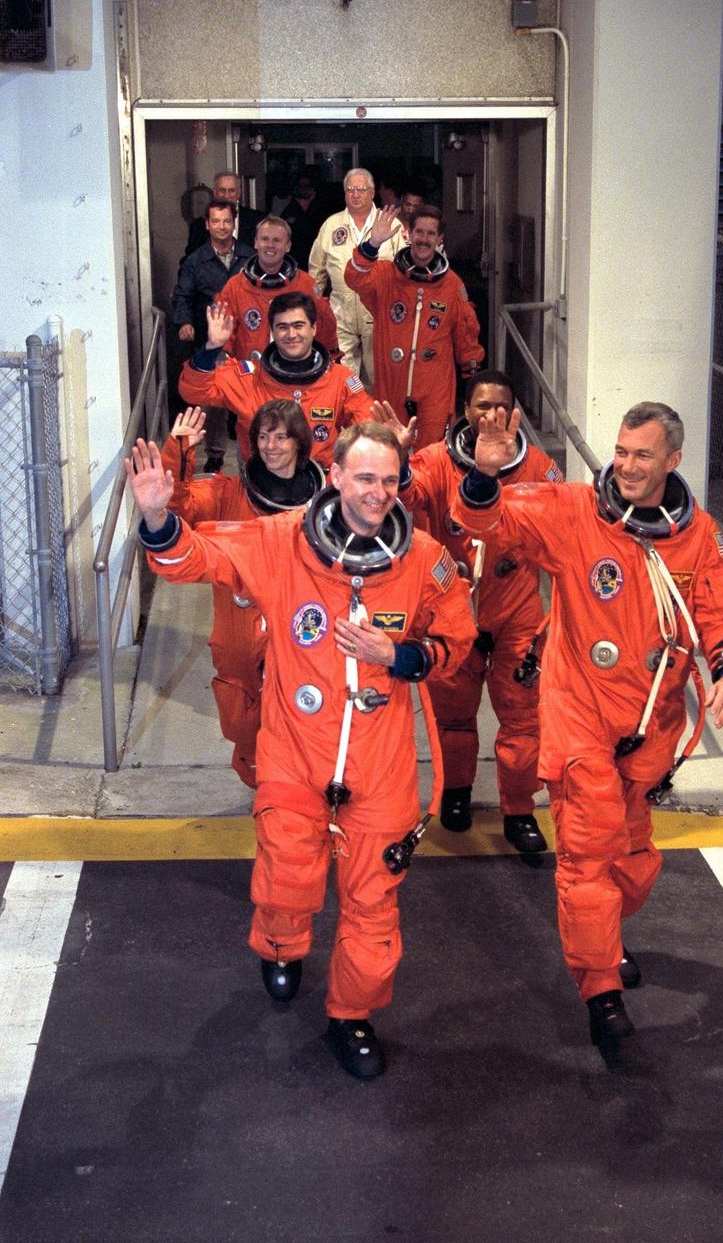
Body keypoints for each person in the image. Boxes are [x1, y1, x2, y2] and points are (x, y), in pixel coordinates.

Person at [126, 421, 477, 1080]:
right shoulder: (281, 541)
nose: (377, 493)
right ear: (337, 476)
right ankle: (283, 946)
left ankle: (352, 1015)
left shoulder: (425, 559)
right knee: (287, 878)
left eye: (388, 480)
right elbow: (196, 560)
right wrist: (155, 519)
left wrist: (397, 654)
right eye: (364, 478)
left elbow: (455, 648)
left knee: (374, 909)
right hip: (293, 751)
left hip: (379, 765)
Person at [452, 400, 723, 1059]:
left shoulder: (697, 535)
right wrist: (483, 474)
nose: (625, 466)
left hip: (651, 722)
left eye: (641, 455)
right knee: (586, 857)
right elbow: (489, 522)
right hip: (579, 717)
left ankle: (605, 941)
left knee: (632, 860)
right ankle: (599, 993)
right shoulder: (571, 514)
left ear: (672, 460)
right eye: (619, 452)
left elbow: (721, 606)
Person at [373, 369, 562, 856]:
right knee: (453, 718)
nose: (490, 414)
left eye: (500, 406)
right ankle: (456, 793)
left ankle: (518, 809)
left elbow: (564, 534)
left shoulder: (540, 468)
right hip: (452, 611)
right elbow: (407, 494)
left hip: (515, 610)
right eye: (481, 406)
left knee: (522, 721)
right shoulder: (437, 461)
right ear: (463, 411)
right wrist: (398, 455)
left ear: (514, 412)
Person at [160, 402, 324, 787]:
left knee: (305, 714)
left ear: (300, 443)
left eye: (281, 437)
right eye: (263, 437)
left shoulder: (324, 499)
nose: (270, 446)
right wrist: (179, 454)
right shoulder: (228, 492)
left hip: (300, 629)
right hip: (239, 632)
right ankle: (260, 787)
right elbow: (180, 506)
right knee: (243, 719)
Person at [345, 205, 484, 450]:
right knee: (387, 450)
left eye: (431, 234)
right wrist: (373, 243)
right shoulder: (386, 275)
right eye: (419, 232)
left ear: (440, 238)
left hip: (434, 388)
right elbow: (354, 278)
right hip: (391, 385)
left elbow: (466, 333)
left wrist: (472, 379)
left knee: (433, 454)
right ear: (408, 234)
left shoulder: (452, 285)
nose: (424, 239)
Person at [179, 292, 371, 468]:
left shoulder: (340, 379)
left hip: (319, 486)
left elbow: (368, 429)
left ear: (313, 328)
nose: (291, 334)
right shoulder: (249, 378)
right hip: (260, 487)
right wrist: (212, 348)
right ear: (272, 332)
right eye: (282, 327)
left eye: (298, 325)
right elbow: (194, 390)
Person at [171, 200, 254, 472]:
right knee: (213, 401)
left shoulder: (250, 256)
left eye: (227, 221)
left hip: (247, 338)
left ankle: (254, 451)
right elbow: (182, 295)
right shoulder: (196, 260)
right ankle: (216, 453)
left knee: (251, 396)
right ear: (207, 225)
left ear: (234, 223)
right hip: (213, 339)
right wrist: (184, 322)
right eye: (216, 221)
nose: (221, 227)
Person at [308, 168, 405, 386]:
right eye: (350, 189)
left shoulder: (391, 224)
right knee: (341, 376)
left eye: (361, 189)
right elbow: (316, 271)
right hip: (340, 311)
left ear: (372, 192)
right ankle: (347, 420)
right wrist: (316, 306)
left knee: (379, 375)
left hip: (379, 310)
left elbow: (404, 270)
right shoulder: (331, 225)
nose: (356, 194)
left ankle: (375, 420)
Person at [215, 215, 338, 362]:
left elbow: (325, 328)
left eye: (277, 240)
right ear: (256, 242)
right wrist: (222, 356)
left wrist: (329, 359)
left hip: (297, 372)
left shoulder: (305, 284)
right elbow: (223, 333)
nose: (270, 245)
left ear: (288, 246)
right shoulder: (235, 287)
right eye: (265, 239)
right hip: (250, 374)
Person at [183, 171, 263, 257]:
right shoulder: (198, 226)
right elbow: (189, 260)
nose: (227, 195)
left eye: (231, 190)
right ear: (215, 192)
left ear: (238, 193)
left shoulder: (258, 220)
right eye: (222, 190)